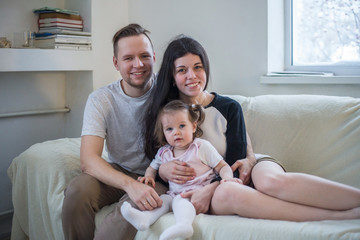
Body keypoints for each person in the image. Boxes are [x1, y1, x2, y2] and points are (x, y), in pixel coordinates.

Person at [144, 35, 360, 222]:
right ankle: (340, 217)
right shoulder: (166, 116)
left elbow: (237, 161)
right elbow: (158, 164)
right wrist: (164, 171)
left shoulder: (228, 107)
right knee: (229, 193)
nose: (192, 76)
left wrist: (211, 187)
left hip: (242, 168)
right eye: (182, 70)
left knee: (270, 181)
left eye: (197, 67)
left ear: (206, 69)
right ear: (172, 78)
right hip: (220, 187)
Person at [61, 23, 168, 240]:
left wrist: (250, 155)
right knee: (76, 192)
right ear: (116, 62)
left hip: (158, 176)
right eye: (128, 58)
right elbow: (88, 160)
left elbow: (211, 105)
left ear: (154, 57)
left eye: (144, 56)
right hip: (120, 170)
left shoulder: (168, 90)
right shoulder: (101, 99)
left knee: (124, 217)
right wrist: (129, 185)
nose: (138, 64)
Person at [121, 100, 242, 240]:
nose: (176, 132)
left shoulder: (201, 147)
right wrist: (149, 177)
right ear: (164, 133)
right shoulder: (164, 152)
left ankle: (184, 225)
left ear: (194, 127)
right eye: (169, 129)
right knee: (163, 200)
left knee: (180, 201)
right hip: (174, 193)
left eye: (182, 126)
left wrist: (227, 178)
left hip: (196, 193)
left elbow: (222, 166)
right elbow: (152, 167)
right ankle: (145, 219)